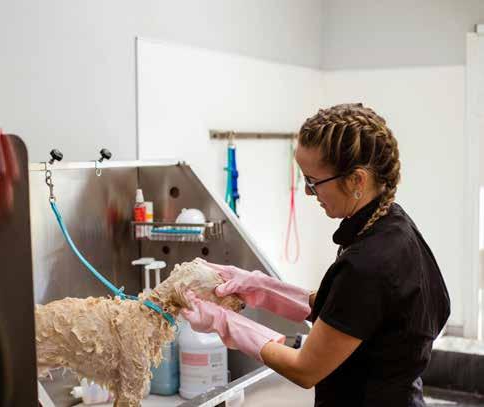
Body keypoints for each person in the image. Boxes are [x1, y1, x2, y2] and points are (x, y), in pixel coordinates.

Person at [181, 103, 451, 407]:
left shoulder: (370, 263)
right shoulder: (393, 225)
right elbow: (349, 309)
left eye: (313, 181)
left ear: (357, 180)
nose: (309, 192)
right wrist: (259, 287)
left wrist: (224, 322)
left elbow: (304, 368)